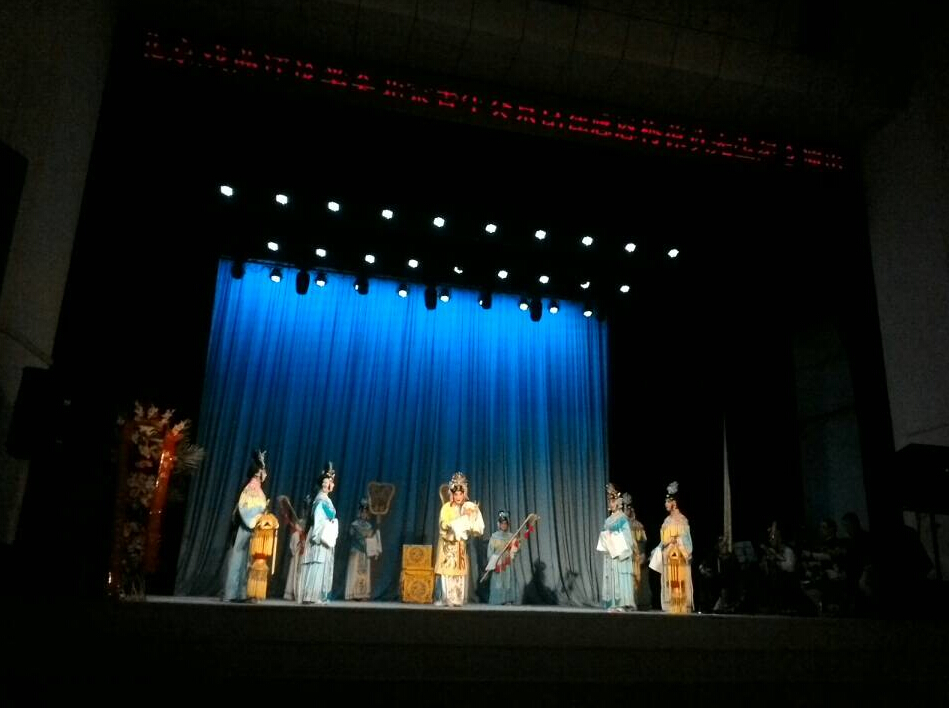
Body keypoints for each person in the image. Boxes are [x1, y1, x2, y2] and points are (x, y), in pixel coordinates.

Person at [223, 450, 269, 602]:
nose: (265, 474)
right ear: (258, 473)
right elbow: (245, 508)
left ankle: (243, 592)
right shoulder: (251, 488)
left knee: (247, 560)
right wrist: (258, 517)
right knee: (239, 559)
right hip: (247, 527)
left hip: (253, 528)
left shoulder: (257, 488)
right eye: (263, 471)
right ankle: (233, 593)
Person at [434, 471, 484, 606]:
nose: (458, 497)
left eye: (460, 494)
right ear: (452, 494)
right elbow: (442, 525)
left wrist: (470, 519)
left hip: (459, 546)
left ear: (464, 494)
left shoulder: (466, 507)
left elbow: (471, 527)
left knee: (459, 573)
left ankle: (458, 598)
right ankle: (447, 598)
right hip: (448, 546)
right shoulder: (446, 508)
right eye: (455, 494)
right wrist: (452, 525)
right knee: (448, 572)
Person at [298, 462, 338, 604]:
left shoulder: (324, 499)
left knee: (320, 565)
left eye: (331, 482)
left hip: (323, 535)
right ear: (324, 484)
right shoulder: (321, 499)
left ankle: (316, 595)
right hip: (320, 535)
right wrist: (329, 524)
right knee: (317, 564)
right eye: (329, 482)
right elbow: (321, 518)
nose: (331, 484)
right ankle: (311, 596)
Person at [651, 481, 694, 613]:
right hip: (667, 556)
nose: (665, 504)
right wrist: (658, 548)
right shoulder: (666, 521)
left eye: (667, 502)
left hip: (678, 555)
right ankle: (670, 603)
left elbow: (687, 540)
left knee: (678, 578)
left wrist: (677, 542)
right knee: (670, 580)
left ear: (674, 503)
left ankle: (680, 603)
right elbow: (663, 540)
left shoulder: (682, 520)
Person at [599, 483, 635, 611]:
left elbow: (627, 538)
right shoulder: (608, 520)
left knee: (619, 576)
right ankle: (612, 603)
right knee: (611, 575)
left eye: (613, 501)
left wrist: (614, 537)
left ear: (618, 503)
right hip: (610, 553)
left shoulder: (622, 518)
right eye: (609, 501)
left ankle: (621, 603)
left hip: (619, 553)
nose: (611, 503)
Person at [344, 497, 377, 600]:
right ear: (359, 512)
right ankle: (352, 594)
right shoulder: (354, 525)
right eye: (362, 511)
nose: (364, 514)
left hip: (365, 552)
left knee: (364, 574)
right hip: (356, 551)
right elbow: (351, 536)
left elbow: (370, 539)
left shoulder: (369, 526)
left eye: (366, 512)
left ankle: (362, 594)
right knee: (354, 572)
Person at [623, 492, 651, 610]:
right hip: (623, 556)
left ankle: (634, 602)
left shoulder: (637, 525)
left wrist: (642, 553)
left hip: (634, 556)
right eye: (625, 507)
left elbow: (642, 541)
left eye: (628, 507)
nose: (626, 510)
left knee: (634, 579)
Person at [486, 510, 519, 605]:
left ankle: (508, 599)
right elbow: (490, 551)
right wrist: (493, 561)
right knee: (498, 581)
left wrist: (513, 550)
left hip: (507, 563)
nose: (504, 525)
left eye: (505, 524)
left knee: (507, 581)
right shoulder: (494, 536)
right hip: (498, 562)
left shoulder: (511, 536)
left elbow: (515, 550)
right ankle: (498, 600)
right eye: (502, 524)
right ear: (499, 525)